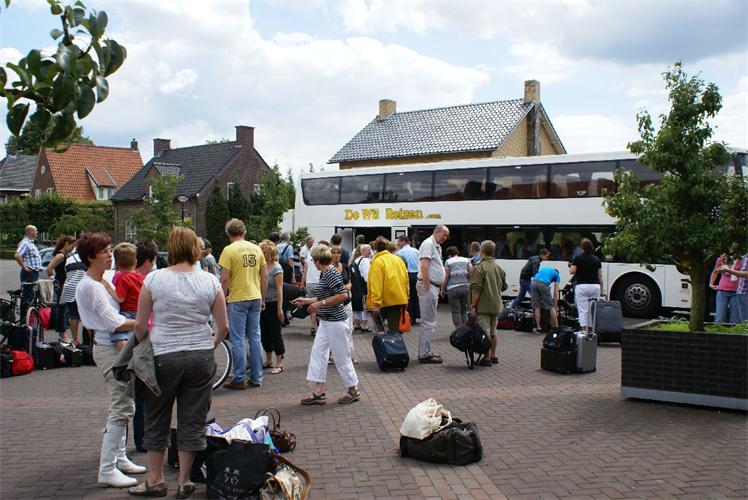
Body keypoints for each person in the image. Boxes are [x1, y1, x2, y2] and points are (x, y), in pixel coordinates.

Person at [129, 227, 228, 498]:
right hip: (200, 356)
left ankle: (155, 479)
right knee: (193, 418)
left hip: (164, 356)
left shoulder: (154, 279)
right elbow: (223, 326)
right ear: (195, 249)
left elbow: (140, 325)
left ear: (170, 248)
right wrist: (211, 345)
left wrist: (138, 349)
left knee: (156, 416)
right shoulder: (210, 281)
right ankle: (184, 480)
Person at [73, 232, 142, 488]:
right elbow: (116, 322)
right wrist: (148, 322)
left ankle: (119, 457)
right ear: (91, 256)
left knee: (126, 404)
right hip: (109, 349)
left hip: (111, 347)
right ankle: (107, 467)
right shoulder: (91, 286)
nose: (109, 254)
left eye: (110, 250)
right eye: (104, 251)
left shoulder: (98, 281)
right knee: (121, 406)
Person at [292, 245, 360, 406]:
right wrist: (306, 301)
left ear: (317, 260)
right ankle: (319, 391)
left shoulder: (330, 274)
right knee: (318, 354)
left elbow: (343, 295)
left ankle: (353, 389)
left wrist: (320, 303)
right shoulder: (326, 273)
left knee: (341, 357)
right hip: (327, 321)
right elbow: (325, 296)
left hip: (335, 322)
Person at [219, 219, 268, 390]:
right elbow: (264, 276)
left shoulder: (228, 250)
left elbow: (225, 278)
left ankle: (239, 377)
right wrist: (262, 297)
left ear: (228, 234)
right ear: (244, 232)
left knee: (238, 338)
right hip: (255, 296)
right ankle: (257, 376)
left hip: (238, 297)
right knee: (255, 336)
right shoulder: (256, 249)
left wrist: (222, 297)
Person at [469, 240, 506, 366]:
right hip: (496, 304)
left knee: (485, 333)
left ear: (482, 251)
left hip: (483, 305)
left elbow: (476, 290)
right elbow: (504, 286)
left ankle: (487, 358)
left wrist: (473, 306)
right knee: (493, 332)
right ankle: (494, 356)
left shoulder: (479, 267)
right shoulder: (498, 267)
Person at [416, 225, 450, 364]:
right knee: (429, 322)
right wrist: (427, 286)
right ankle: (424, 354)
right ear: (436, 232)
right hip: (429, 286)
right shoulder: (428, 244)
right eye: (444, 235)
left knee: (430, 321)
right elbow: (424, 265)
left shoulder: (435, 246)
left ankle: (426, 351)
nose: (445, 238)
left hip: (432, 286)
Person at [368, 236, 409, 334]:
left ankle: (385, 345)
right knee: (394, 329)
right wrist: (407, 297)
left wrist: (376, 303)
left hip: (384, 301)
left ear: (376, 248)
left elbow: (376, 284)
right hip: (399, 299)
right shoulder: (398, 260)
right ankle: (395, 346)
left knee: (380, 327)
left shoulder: (377, 262)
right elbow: (405, 280)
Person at [259, 240, 285, 375]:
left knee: (275, 332)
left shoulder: (276, 267)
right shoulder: (261, 266)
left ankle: (279, 362)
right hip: (262, 303)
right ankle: (268, 360)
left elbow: (280, 289)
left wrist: (279, 308)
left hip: (273, 302)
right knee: (264, 332)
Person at [46, 235, 76, 342]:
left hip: (64, 284)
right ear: (67, 244)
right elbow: (49, 268)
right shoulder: (61, 256)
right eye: (72, 245)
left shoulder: (65, 255)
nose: (73, 247)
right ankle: (63, 335)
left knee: (63, 310)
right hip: (61, 284)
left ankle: (62, 334)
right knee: (62, 310)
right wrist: (54, 280)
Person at [569, 239, 603, 331]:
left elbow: (572, 271)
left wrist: (572, 265)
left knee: (583, 309)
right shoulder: (596, 259)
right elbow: (600, 276)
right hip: (595, 286)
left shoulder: (578, 258)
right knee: (593, 309)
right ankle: (593, 329)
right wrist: (601, 289)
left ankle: (584, 330)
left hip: (582, 286)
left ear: (582, 248)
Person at [331, 245, 356, 363]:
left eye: (338, 253)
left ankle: (349, 354)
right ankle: (333, 354)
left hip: (346, 302)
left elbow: (350, 281)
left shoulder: (345, 267)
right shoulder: (328, 269)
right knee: (335, 331)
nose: (336, 255)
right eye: (334, 253)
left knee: (349, 328)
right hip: (334, 304)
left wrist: (349, 286)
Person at [60, 246, 86, 345]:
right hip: (82, 288)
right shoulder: (87, 258)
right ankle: (91, 342)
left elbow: (66, 273)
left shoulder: (69, 259)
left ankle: (75, 340)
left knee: (73, 315)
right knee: (86, 316)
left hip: (69, 288)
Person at [441, 246, 472, 329]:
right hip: (465, 287)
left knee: (456, 310)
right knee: (464, 309)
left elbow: (446, 276)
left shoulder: (448, 262)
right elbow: (471, 272)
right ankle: (465, 329)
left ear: (449, 255)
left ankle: (458, 329)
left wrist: (442, 289)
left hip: (453, 288)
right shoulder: (466, 260)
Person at [14, 224, 42, 318]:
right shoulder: (25, 243)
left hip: (33, 272)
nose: (37, 232)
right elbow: (17, 255)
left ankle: (28, 317)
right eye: (35, 231)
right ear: (29, 231)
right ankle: (23, 319)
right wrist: (24, 267)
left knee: (31, 296)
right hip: (29, 273)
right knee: (26, 297)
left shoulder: (31, 243)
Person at [710, 253, 744, 324]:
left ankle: (733, 334)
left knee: (735, 319)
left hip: (736, 292)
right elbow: (715, 272)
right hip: (722, 290)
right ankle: (718, 333)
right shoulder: (721, 258)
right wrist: (711, 284)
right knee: (719, 317)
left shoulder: (742, 260)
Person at [301, 241, 324, 336]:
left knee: (312, 305)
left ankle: (313, 326)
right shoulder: (322, 259)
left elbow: (304, 272)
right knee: (320, 305)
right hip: (319, 283)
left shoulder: (308, 259)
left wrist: (302, 283)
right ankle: (320, 327)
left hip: (310, 283)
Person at [396, 236, 421, 323]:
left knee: (407, 296)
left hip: (406, 275)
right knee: (415, 296)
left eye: (398, 242)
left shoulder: (399, 253)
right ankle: (416, 315)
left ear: (403, 241)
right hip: (417, 275)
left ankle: (409, 317)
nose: (397, 244)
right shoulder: (416, 251)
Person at [531, 266, 561, 333]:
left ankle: (538, 327)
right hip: (543, 284)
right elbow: (556, 292)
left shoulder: (546, 269)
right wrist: (555, 306)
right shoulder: (557, 275)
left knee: (537, 307)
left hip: (533, 282)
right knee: (550, 306)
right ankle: (556, 327)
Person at [720, 254, 748, 322]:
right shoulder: (744, 256)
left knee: (745, 321)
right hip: (741, 291)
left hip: (745, 292)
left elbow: (746, 274)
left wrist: (729, 271)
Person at [350, 244, 372, 333]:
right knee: (365, 305)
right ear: (363, 251)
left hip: (356, 286)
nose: (370, 252)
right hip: (363, 285)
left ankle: (357, 323)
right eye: (369, 250)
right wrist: (370, 285)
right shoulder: (366, 260)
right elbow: (366, 275)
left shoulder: (356, 260)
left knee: (357, 304)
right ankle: (364, 325)